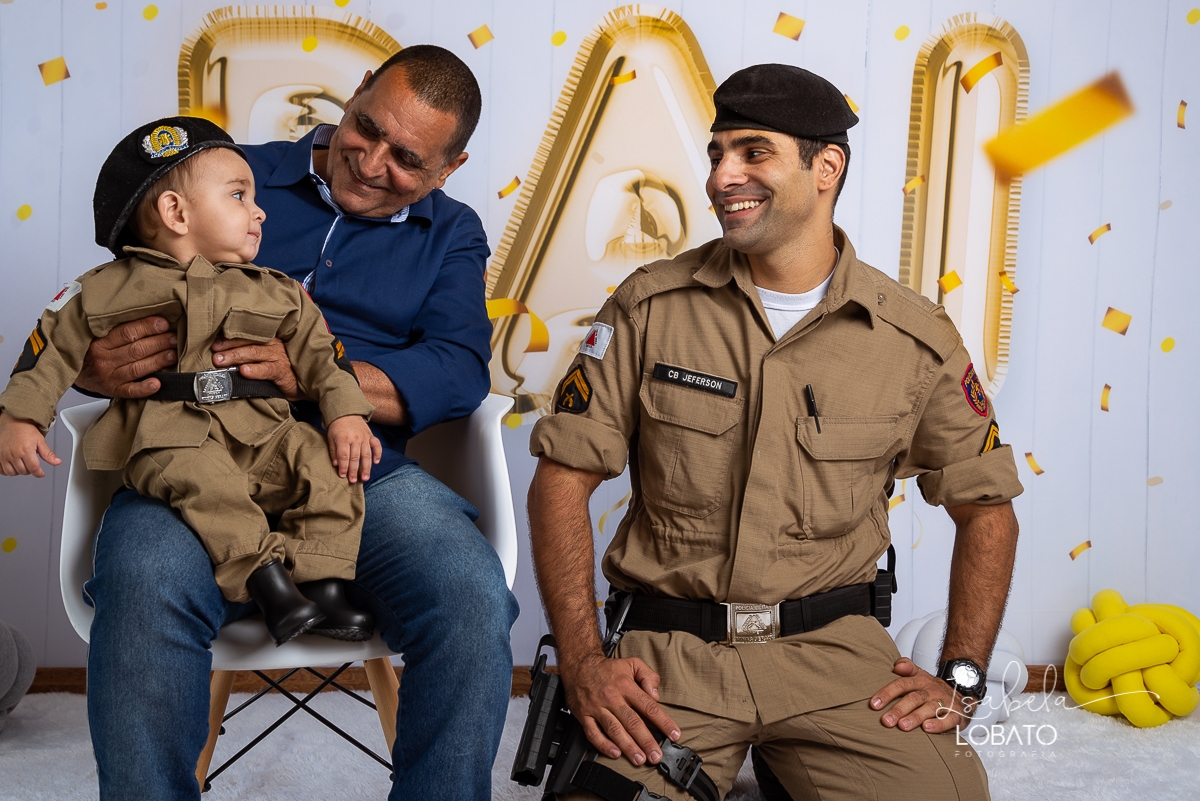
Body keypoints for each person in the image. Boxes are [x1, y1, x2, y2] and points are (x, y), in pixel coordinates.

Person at [526, 63, 1023, 800]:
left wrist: (960, 676)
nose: (723, 175)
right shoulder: (647, 308)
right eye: (717, 153)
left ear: (827, 167)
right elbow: (560, 480)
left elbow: (987, 507)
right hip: (672, 656)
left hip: (838, 659)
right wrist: (583, 660)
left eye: (752, 152)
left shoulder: (913, 337)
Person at [73, 46, 518, 800]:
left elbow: (457, 370)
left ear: (451, 166)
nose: (371, 161)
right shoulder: (223, 173)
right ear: (356, 92)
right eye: (365, 127)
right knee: (145, 574)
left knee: (468, 592)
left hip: (350, 468)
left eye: (406, 158)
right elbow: (100, 299)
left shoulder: (453, 234)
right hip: (191, 459)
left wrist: (318, 370)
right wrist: (95, 363)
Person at [0, 116, 381, 647]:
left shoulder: (276, 291)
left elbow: (324, 356)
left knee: (324, 465)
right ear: (176, 213)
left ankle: (325, 583)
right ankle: (266, 584)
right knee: (207, 482)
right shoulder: (103, 290)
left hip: (263, 432)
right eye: (239, 195)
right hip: (167, 435)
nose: (260, 209)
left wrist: (345, 415)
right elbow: (48, 351)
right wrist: (19, 419)